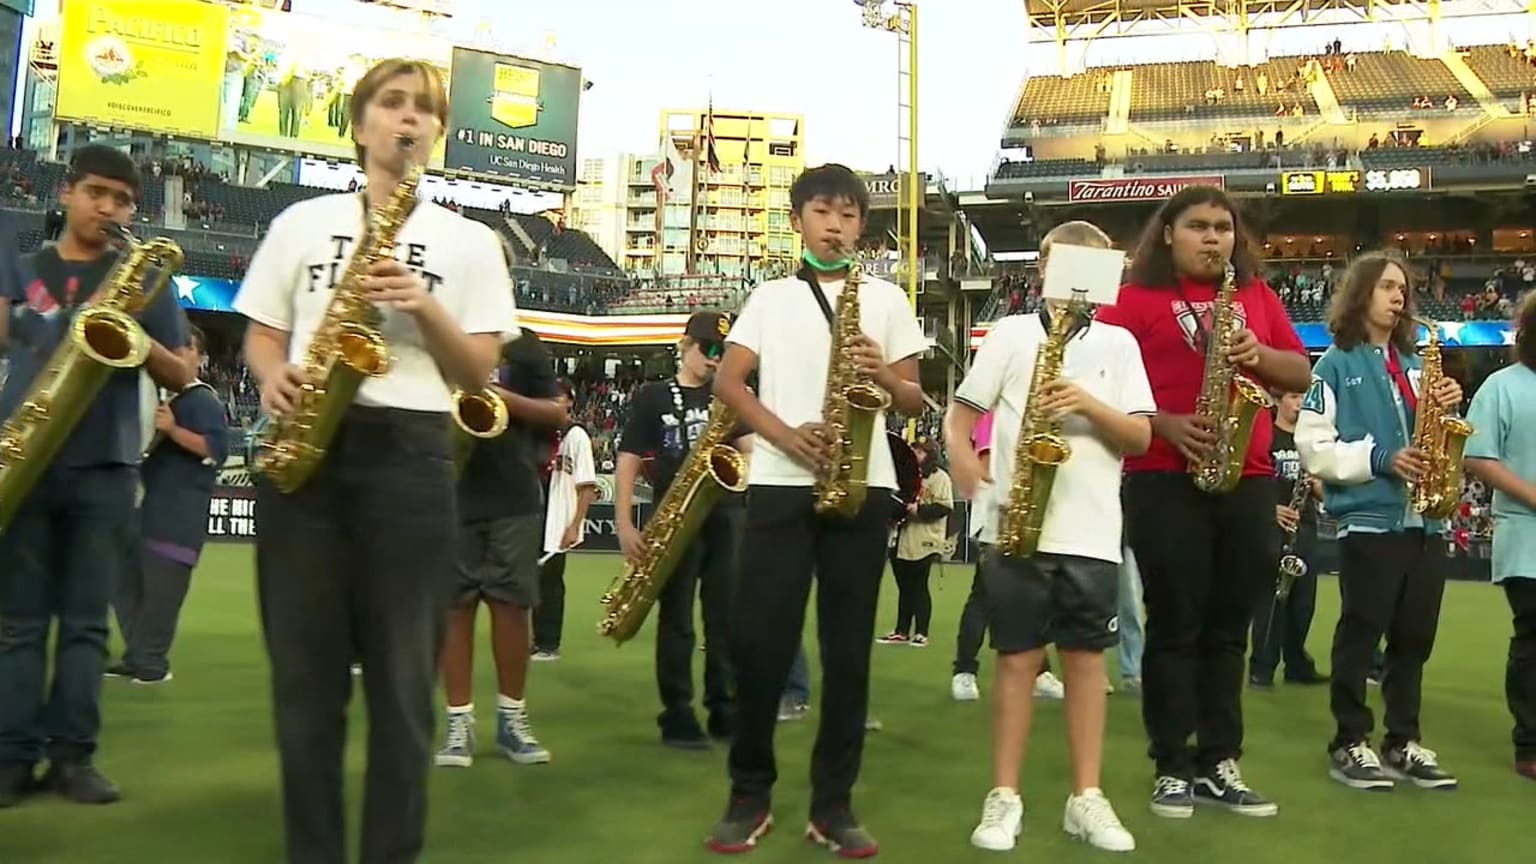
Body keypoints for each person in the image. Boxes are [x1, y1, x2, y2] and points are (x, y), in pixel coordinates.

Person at [233, 59, 517, 863]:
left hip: (412, 456)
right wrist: (270, 370)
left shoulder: (470, 241)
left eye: (424, 109)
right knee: (305, 690)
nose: (409, 118)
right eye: (392, 104)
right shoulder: (299, 221)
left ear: (440, 134)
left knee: (401, 691)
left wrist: (420, 301)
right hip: (308, 457)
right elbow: (259, 328)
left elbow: (478, 372)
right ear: (360, 125)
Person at [707, 164, 926, 856]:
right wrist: (787, 437)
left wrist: (884, 373)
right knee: (761, 643)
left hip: (864, 485)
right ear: (798, 218)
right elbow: (727, 381)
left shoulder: (887, 299)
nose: (837, 225)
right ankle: (749, 794)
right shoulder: (770, 296)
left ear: (863, 224)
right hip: (779, 480)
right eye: (824, 212)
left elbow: (915, 400)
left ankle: (833, 806)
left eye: (851, 215)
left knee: (849, 652)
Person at [1097, 185, 1311, 818]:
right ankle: (1171, 764)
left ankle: (1219, 760)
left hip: (1247, 477)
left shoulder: (1254, 296)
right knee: (1174, 623)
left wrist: (1258, 353)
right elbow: (1098, 387)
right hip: (1163, 475)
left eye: (1223, 227)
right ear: (1168, 233)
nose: (1214, 238)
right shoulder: (1131, 302)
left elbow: (1298, 372)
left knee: (1228, 629)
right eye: (1198, 226)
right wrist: (1164, 424)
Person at [946, 220, 1154, 852]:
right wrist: (965, 467)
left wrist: (1087, 404)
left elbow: (1141, 437)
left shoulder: (1118, 345)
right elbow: (962, 420)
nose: (1077, 290)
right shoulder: (1009, 334)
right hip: (1016, 524)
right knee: (1014, 661)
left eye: (1092, 276)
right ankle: (1003, 795)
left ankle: (1085, 798)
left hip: (1091, 530)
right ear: (1041, 271)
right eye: (1066, 272)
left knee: (1087, 666)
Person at [0, 144, 189, 808]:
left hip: (106, 467)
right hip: (26, 457)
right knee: (19, 624)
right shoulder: (24, 270)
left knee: (84, 624)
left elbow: (184, 374)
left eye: (122, 199)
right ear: (67, 194)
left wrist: (138, 334)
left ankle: (73, 758)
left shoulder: (145, 282)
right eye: (96, 193)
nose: (108, 208)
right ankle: (12, 758)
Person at [1295, 249, 1462, 792]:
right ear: (1361, 294)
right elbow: (1313, 447)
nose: (1398, 297)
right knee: (1361, 634)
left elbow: (1434, 435)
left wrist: (1446, 407)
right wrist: (1376, 459)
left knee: (1414, 637)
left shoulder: (1417, 364)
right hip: (1369, 521)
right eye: (1387, 287)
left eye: (1402, 289)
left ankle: (1402, 740)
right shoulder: (1334, 365)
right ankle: (1350, 740)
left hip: (1424, 522)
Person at [616, 310, 749, 749]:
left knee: (725, 617)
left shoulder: (728, 395)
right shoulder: (652, 396)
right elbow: (630, 457)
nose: (714, 360)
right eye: (708, 350)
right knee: (677, 621)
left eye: (722, 353)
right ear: (685, 345)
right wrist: (622, 520)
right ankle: (676, 713)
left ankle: (724, 708)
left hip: (725, 515)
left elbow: (749, 451)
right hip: (673, 518)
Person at [437, 326, 566, 768]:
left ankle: (512, 720)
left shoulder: (523, 343)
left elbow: (557, 412)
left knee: (512, 606)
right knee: (455, 606)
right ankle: (459, 724)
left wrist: (500, 398)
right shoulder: (439, 327)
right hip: (448, 490)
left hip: (513, 494)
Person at [110, 324, 230, 685]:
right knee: (125, 585)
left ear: (199, 356)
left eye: (186, 347)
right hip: (147, 514)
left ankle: (152, 664)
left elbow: (216, 451)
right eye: (172, 347)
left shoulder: (202, 399)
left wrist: (174, 431)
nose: (178, 353)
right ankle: (137, 656)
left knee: (160, 596)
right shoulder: (168, 399)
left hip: (177, 519)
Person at [1464, 290, 1536, 783]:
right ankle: (1530, 743)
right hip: (1526, 537)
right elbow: (1477, 456)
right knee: (1533, 639)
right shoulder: (1502, 386)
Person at [1248, 389, 1327, 688]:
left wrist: (1319, 485)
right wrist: (1270, 509)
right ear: (1278, 401)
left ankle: (1297, 663)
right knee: (1272, 600)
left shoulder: (1308, 440)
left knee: (1304, 600)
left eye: (1302, 397)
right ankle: (1262, 667)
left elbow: (1322, 488)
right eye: (1293, 397)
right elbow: (1251, 479)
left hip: (1304, 526)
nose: (1300, 403)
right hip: (1272, 527)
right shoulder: (1266, 436)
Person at [531, 379, 599, 661]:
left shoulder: (576, 436)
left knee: (550, 582)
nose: (554, 401)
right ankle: (536, 640)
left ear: (570, 401)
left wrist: (575, 524)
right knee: (530, 582)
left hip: (557, 518)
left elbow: (587, 485)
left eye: (560, 397)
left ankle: (549, 643)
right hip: (532, 514)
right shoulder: (537, 432)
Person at [877, 439, 953, 645]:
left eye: (920, 451)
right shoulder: (905, 477)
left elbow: (945, 507)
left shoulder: (939, 478)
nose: (916, 454)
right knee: (904, 587)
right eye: (914, 450)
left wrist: (918, 510)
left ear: (931, 454)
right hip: (901, 539)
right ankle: (901, 631)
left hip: (925, 539)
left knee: (919, 586)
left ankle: (921, 632)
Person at [950, 411, 995, 702]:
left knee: (1034, 600)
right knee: (983, 598)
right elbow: (987, 466)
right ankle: (964, 671)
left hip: (1030, 515)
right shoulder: (992, 414)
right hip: (995, 517)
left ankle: (1040, 671)